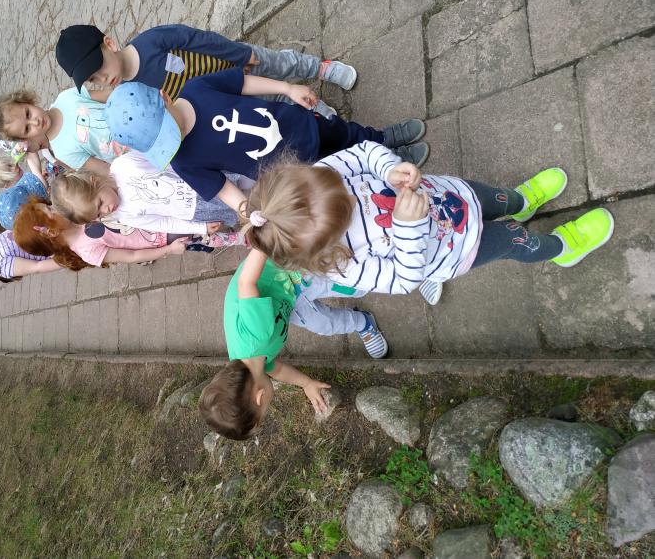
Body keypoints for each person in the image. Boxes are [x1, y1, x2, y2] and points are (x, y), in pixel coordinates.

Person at [240, 142, 614, 296]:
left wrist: (388, 168)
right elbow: (405, 280)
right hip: (456, 248)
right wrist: (407, 227)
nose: (353, 196)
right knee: (515, 241)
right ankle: (561, 247)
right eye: (345, 209)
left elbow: (362, 154)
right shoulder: (344, 266)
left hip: (452, 195)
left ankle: (522, 202)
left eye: (341, 189)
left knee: (497, 198)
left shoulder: (320, 174)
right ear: (324, 244)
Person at [56, 23, 427, 160]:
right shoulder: (132, 97)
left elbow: (199, 40)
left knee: (284, 64)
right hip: (227, 96)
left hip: (235, 63)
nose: (103, 79)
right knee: (279, 103)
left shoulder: (152, 42)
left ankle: (321, 68)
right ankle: (323, 115)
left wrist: (240, 54)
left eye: (99, 68)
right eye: (94, 80)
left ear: (109, 43)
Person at [102, 74, 427, 224]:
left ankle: (384, 141)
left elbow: (243, 83)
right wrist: (248, 210)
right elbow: (223, 189)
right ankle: (386, 172)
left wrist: (287, 88)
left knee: (348, 134)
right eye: (161, 144)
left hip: (301, 125)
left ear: (164, 96)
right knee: (341, 176)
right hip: (292, 170)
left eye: (168, 131)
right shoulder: (183, 161)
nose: (172, 142)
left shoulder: (198, 88)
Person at [198, 247, 386, 441]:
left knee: (358, 284)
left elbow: (246, 282)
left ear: (260, 397)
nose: (267, 410)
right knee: (325, 325)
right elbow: (277, 370)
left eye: (264, 412)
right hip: (283, 296)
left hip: (287, 268)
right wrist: (306, 384)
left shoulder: (256, 335)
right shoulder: (250, 366)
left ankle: (389, 256)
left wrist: (263, 241)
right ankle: (363, 322)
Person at [50, 154, 246, 249]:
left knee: (246, 180)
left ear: (95, 182)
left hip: (200, 179)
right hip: (198, 210)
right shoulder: (124, 215)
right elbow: (163, 223)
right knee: (246, 208)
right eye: (99, 215)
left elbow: (164, 156)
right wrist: (200, 227)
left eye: (100, 203)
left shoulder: (123, 166)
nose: (107, 210)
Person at [12, 197, 196, 268]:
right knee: (204, 232)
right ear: (51, 232)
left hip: (153, 211)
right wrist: (169, 250)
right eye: (51, 210)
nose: (56, 206)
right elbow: (132, 256)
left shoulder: (78, 213)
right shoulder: (87, 250)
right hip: (163, 236)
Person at [0, 86, 120, 178]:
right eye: (27, 129)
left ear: (26, 101)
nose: (35, 122)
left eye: (28, 114)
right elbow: (106, 170)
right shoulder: (62, 152)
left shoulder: (66, 97)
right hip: (127, 150)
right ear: (25, 139)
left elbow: (109, 95)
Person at [0, 154, 49, 230]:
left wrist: (39, 177)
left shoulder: (19, 194)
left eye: (10, 164)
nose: (15, 165)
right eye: (10, 168)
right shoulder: (21, 195)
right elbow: (32, 158)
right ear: (6, 184)